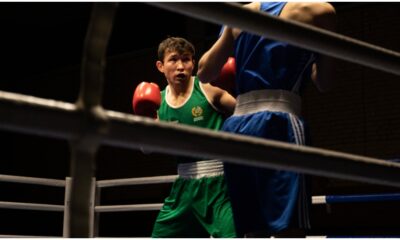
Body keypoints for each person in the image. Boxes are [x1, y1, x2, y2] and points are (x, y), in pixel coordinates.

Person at [197, 2, 336, 237]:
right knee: (290, 227)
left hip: (237, 126)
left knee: (251, 228)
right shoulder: (319, 10)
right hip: (280, 123)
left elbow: (205, 72)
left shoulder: (238, 14)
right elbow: (324, 82)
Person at [149, 36, 237, 237]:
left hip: (219, 185)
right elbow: (147, 149)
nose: (180, 66)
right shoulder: (157, 102)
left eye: (186, 59)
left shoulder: (206, 88)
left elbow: (244, 113)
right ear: (161, 66)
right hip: (183, 187)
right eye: (173, 60)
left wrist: (235, 89)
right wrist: (145, 118)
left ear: (193, 63)